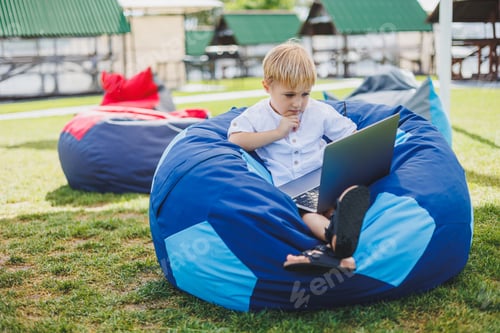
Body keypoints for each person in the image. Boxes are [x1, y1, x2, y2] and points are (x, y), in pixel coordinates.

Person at [227, 40, 370, 272]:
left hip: (325, 178)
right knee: (307, 213)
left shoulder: (318, 111)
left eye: (305, 94)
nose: (298, 103)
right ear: (267, 87)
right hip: (292, 189)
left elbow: (351, 133)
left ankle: (339, 242)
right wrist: (277, 132)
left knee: (336, 206)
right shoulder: (257, 115)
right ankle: (339, 246)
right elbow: (236, 139)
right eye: (289, 94)